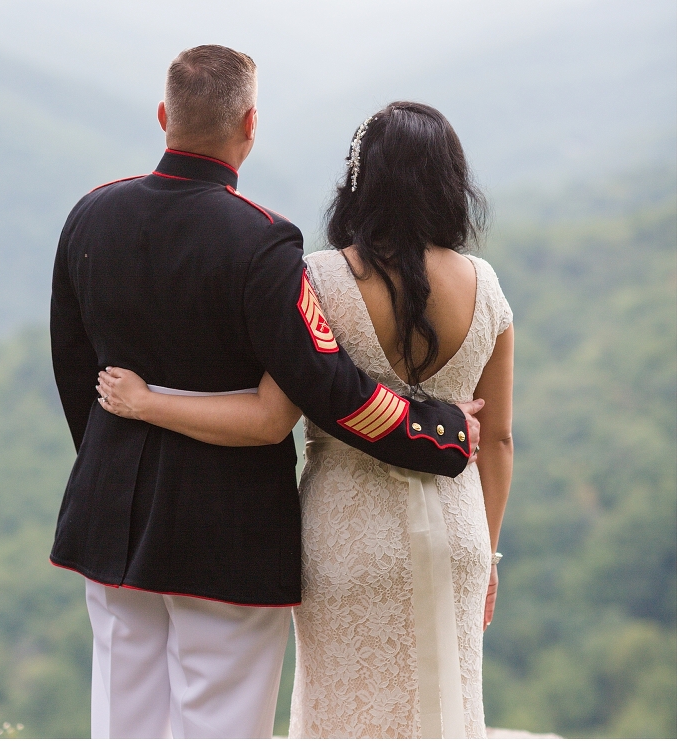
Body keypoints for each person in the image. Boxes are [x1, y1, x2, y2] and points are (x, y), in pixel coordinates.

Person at [50, 48, 483, 741]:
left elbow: (76, 373)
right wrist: (439, 431)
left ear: (165, 117)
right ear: (250, 124)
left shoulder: (89, 216)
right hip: (226, 530)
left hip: (111, 518)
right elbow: (328, 387)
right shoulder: (261, 239)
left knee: (122, 724)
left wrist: (113, 468)